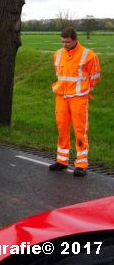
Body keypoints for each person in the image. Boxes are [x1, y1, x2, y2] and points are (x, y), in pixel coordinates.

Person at [49, 27, 100, 177]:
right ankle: (62, 160)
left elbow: (95, 77)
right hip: (61, 96)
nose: (65, 44)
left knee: (80, 130)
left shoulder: (88, 55)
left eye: (68, 42)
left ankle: (81, 164)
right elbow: (60, 75)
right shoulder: (57, 54)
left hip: (78, 97)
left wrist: (83, 89)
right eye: (62, 41)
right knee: (62, 127)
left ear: (75, 39)